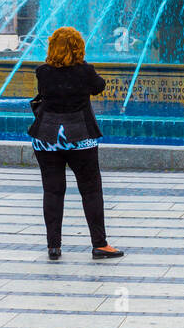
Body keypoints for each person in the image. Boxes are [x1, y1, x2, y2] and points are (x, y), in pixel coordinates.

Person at [30, 26, 123, 262]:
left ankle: (54, 247)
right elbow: (99, 87)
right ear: (78, 47)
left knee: (52, 190)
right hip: (80, 137)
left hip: (47, 138)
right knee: (90, 190)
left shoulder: (43, 72)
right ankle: (99, 245)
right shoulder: (85, 72)